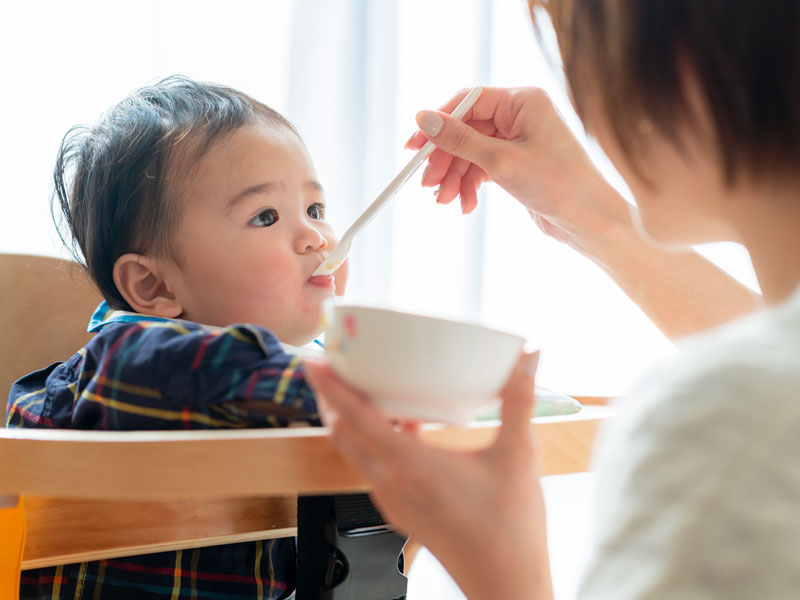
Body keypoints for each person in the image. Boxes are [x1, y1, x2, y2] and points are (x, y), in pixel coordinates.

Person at [304, 1, 800, 598]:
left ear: (682, 64)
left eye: (583, 57)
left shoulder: (733, 419)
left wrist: (503, 571)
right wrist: (590, 211)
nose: (589, 107)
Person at [6, 76, 347, 599]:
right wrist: (360, 390)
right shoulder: (125, 366)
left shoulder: (296, 372)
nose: (316, 238)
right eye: (266, 216)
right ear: (153, 285)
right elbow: (208, 372)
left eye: (315, 210)